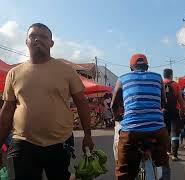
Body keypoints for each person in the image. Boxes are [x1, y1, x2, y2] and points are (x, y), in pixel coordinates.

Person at [0, 23, 94, 180]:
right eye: (33, 36)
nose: (38, 39)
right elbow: (7, 110)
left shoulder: (66, 71)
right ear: (26, 42)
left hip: (60, 141)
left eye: (43, 36)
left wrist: (88, 135)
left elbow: (82, 103)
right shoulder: (13, 74)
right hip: (23, 142)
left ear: (51, 43)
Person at [111, 53, 170, 180]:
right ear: (147, 67)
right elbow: (163, 102)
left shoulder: (122, 78)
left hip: (131, 132)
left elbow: (113, 105)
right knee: (163, 161)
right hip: (157, 130)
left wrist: (117, 117)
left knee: (123, 170)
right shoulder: (158, 77)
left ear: (131, 68)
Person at [163, 68, 185, 161]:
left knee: (165, 132)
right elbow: (180, 99)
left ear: (164, 75)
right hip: (174, 111)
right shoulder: (175, 85)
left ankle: (167, 151)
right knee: (175, 132)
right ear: (171, 75)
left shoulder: (160, 84)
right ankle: (174, 155)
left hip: (163, 111)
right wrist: (184, 109)